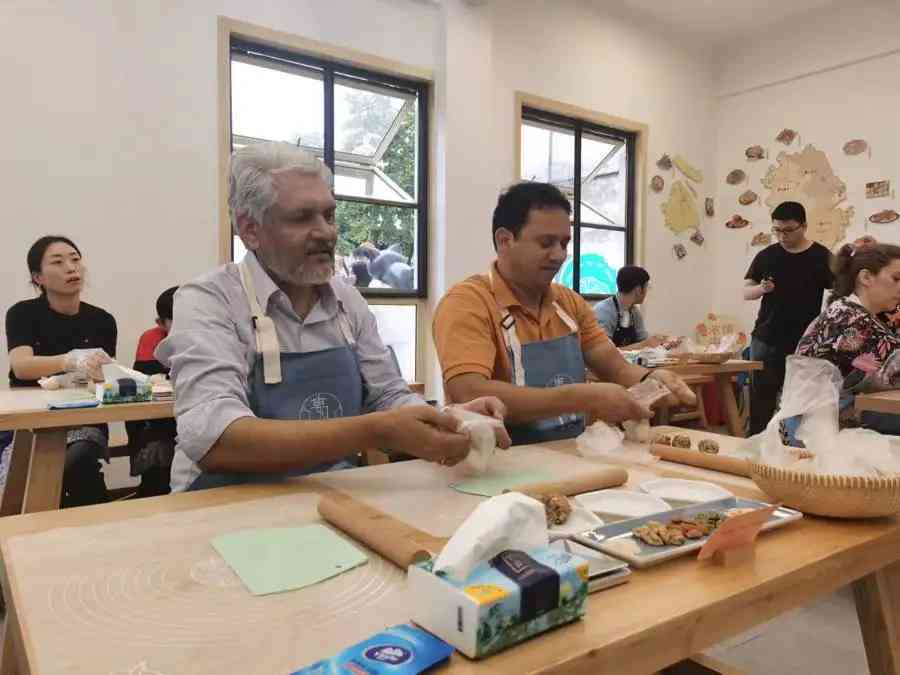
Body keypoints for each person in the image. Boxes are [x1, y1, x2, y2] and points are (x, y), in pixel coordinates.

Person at [157, 141, 508, 492]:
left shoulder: (346, 300)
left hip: (329, 494)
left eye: (329, 215)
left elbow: (387, 396)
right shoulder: (209, 300)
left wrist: (451, 419)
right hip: (223, 504)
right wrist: (376, 429)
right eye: (301, 218)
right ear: (250, 230)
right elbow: (216, 438)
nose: (326, 233)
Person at [432, 182, 695, 445]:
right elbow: (468, 391)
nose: (559, 255)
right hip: (496, 464)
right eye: (546, 243)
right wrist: (582, 398)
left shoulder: (569, 303)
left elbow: (615, 367)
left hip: (570, 453)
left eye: (564, 243)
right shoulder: (467, 303)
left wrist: (652, 379)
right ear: (505, 240)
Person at [5, 236, 116, 507]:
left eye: (75, 259)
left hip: (84, 421)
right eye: (58, 262)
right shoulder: (22, 314)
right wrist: (69, 361)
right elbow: (21, 366)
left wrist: (95, 371)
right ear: (38, 277)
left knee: (74, 466)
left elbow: (105, 378)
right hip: (30, 422)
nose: (71, 267)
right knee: (17, 477)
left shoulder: (102, 320)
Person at [743, 201, 833, 435]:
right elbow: (746, 292)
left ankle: (793, 451)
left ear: (803, 226)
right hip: (766, 339)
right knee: (760, 400)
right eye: (777, 230)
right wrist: (762, 289)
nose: (782, 236)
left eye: (788, 230)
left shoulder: (821, 256)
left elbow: (838, 290)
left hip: (804, 342)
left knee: (800, 402)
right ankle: (755, 448)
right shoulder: (767, 255)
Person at [796, 237, 900, 433]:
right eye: (896, 279)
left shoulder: (844, 309)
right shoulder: (855, 321)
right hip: (819, 428)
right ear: (866, 278)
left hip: (809, 420)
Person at [125, 286, 179, 497]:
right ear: (161, 323)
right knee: (158, 449)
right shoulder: (151, 338)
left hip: (186, 418)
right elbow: (146, 381)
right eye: (178, 320)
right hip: (155, 422)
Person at [593, 266, 668, 349]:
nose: (647, 292)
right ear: (638, 290)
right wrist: (642, 345)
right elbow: (604, 352)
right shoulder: (604, 311)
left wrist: (663, 344)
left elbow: (643, 340)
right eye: (647, 287)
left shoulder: (635, 312)